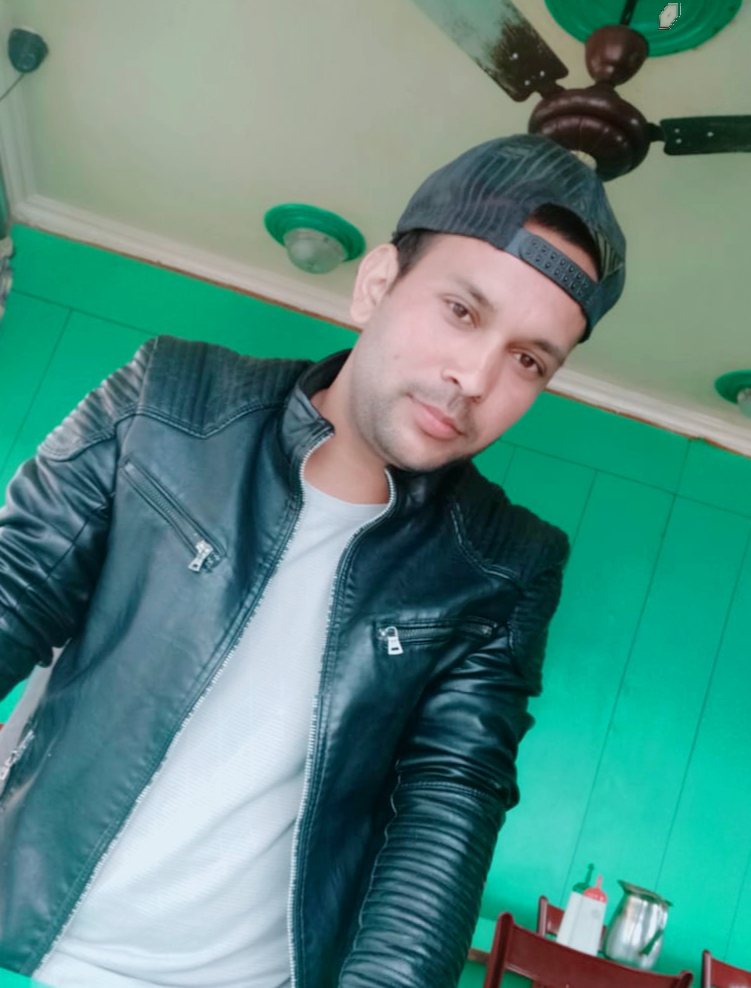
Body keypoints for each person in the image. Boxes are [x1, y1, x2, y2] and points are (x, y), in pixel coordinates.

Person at [0, 133, 626, 988]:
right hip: (25, 936)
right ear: (377, 283)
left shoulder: (505, 565)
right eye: (461, 310)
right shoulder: (167, 400)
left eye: (527, 360)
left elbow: (446, 806)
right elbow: (13, 589)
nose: (477, 377)